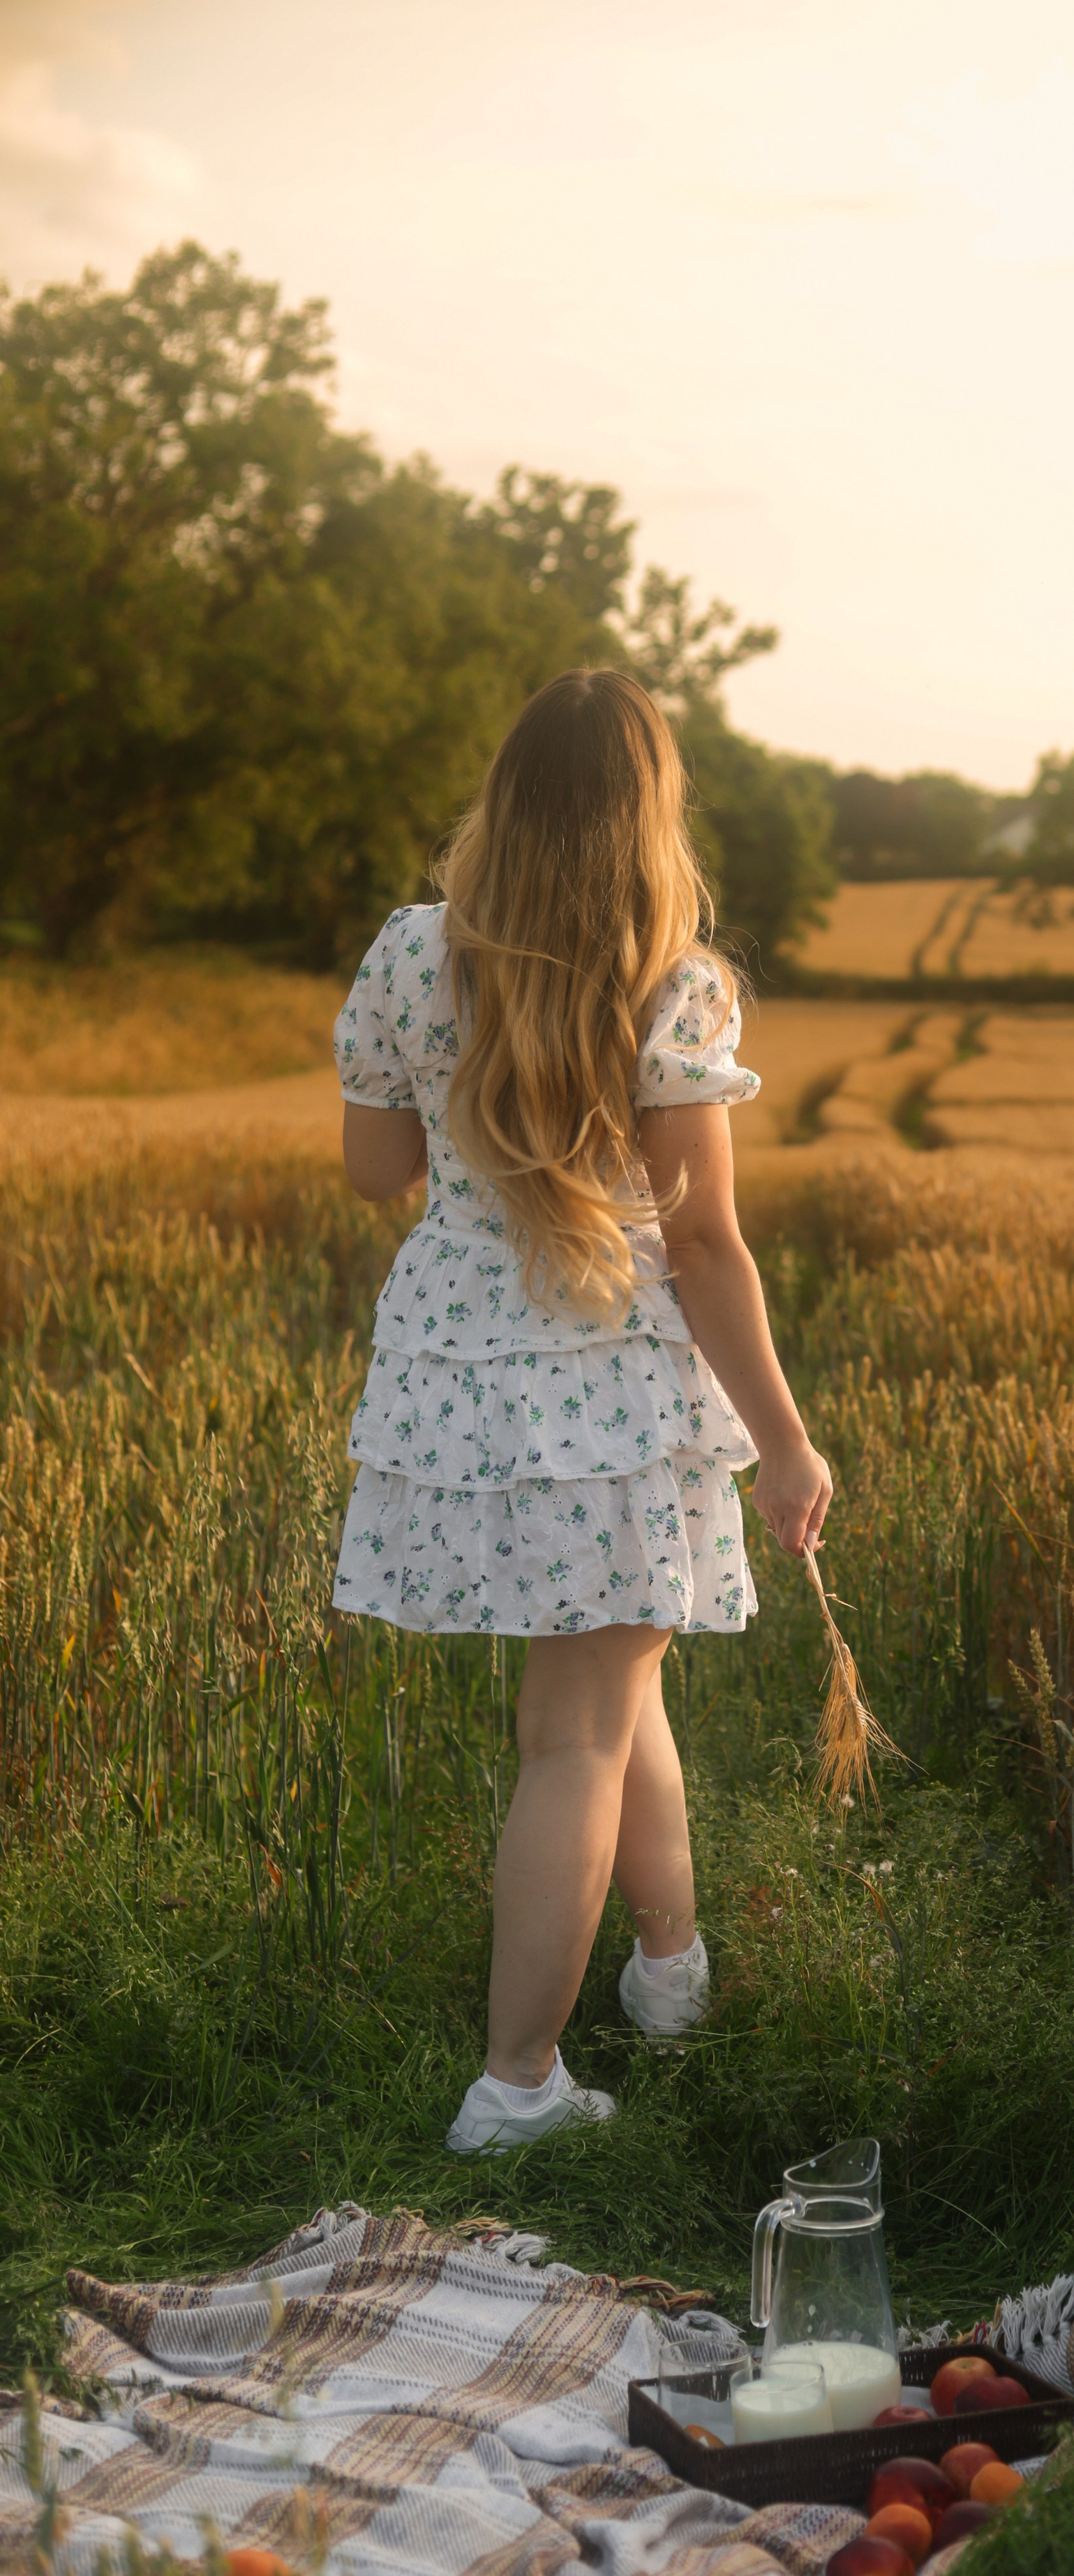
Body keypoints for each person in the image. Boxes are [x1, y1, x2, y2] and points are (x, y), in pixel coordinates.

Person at [331, 667, 832, 2153]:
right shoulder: (671, 981)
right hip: (610, 1392)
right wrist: (788, 1439)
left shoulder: (412, 952)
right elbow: (702, 1244)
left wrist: (474, 1118)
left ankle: (669, 1972)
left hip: (464, 1384)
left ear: (503, 802)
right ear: (647, 816)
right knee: (577, 1735)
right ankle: (519, 2086)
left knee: (617, 1689)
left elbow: (376, 1177)